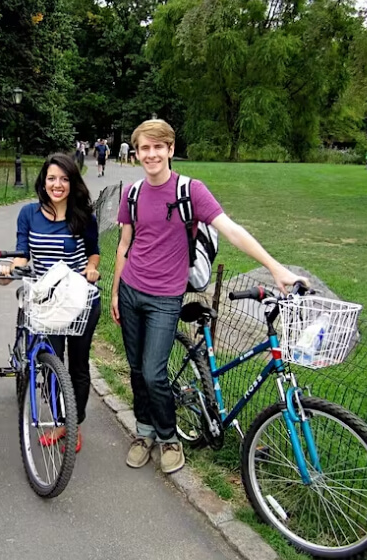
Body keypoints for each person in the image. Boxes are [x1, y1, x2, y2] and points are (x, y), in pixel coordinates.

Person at [111, 119, 307, 474]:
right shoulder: (133, 194)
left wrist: (275, 267)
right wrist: (115, 291)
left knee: (154, 372)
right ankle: (144, 433)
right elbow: (124, 245)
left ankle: (169, 438)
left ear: (170, 150)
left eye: (159, 147)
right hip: (130, 291)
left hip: (166, 297)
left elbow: (231, 230)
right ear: (136, 153)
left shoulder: (191, 190)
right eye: (144, 148)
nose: (151, 154)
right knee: (138, 370)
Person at [0, 153, 101, 453]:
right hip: (47, 302)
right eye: (52, 178)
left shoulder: (83, 216)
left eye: (65, 179)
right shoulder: (28, 214)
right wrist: (10, 272)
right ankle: (60, 421)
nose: (58, 185)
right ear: (43, 181)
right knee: (51, 364)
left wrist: (92, 267)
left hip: (79, 300)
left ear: (73, 182)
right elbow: (22, 254)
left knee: (79, 365)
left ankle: (74, 423)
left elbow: (93, 253)